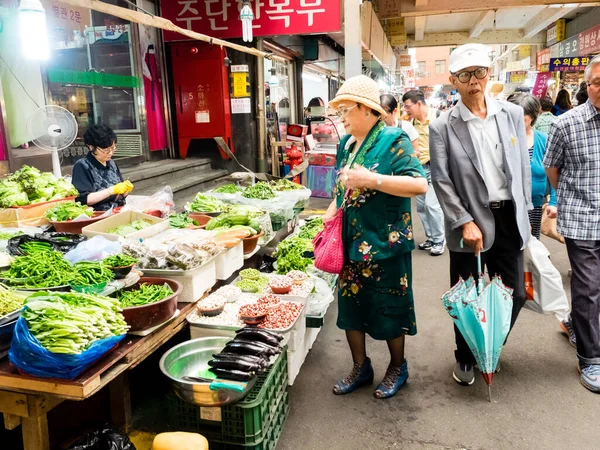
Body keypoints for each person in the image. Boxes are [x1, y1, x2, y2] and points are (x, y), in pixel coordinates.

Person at [428, 43, 532, 386]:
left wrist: (527, 210)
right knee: (467, 296)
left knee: (514, 294)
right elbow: (441, 180)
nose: (474, 81)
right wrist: (463, 221)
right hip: (468, 223)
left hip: (508, 217)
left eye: (480, 73)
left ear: (489, 74)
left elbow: (521, 169)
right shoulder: (443, 126)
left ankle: (489, 346)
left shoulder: (511, 114)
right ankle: (465, 357)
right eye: (465, 75)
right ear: (453, 81)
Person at [323, 75, 427, 399]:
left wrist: (374, 180)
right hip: (350, 241)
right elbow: (342, 189)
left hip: (385, 242)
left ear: (367, 110)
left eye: (346, 109)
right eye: (339, 109)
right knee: (352, 307)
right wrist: (329, 212)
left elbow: (419, 184)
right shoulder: (346, 144)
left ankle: (398, 367)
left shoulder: (394, 139)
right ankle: (361, 366)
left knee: (389, 308)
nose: (341, 115)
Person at [544, 54, 600, 393]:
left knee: (592, 290)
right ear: (588, 86)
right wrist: (565, 198)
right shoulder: (566, 124)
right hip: (582, 219)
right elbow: (552, 168)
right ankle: (591, 358)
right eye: (597, 83)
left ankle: (573, 322)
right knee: (589, 288)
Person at [507, 94, 557, 239]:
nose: (515, 124)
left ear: (533, 118)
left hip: (535, 206)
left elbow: (554, 173)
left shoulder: (543, 140)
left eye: (522, 120)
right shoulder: (502, 141)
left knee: (531, 249)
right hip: (508, 206)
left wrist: (553, 202)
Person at [402, 89, 446, 256]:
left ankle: (439, 239)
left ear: (418, 103)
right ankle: (431, 237)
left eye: (408, 106)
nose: (406, 110)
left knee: (432, 205)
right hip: (419, 169)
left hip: (436, 167)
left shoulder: (439, 117)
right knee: (421, 206)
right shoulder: (411, 123)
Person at [72, 124, 133, 211]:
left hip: (118, 211)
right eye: (106, 150)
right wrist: (111, 190)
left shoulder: (111, 163)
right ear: (91, 147)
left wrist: (125, 190)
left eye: (113, 148)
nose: (111, 153)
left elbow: (120, 193)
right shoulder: (82, 166)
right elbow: (84, 199)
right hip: (98, 216)